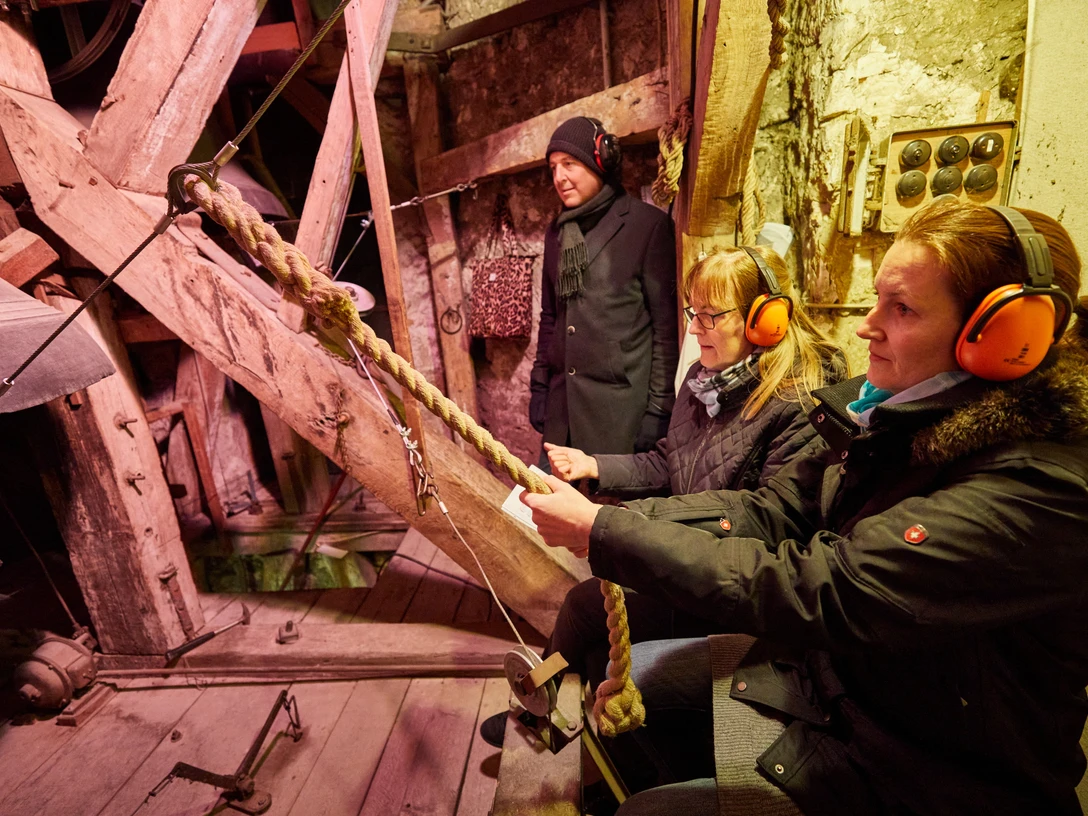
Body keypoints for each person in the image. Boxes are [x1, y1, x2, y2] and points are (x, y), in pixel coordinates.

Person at [521, 198, 1088, 815]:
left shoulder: (1041, 488)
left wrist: (607, 531)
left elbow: (822, 586)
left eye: (901, 309)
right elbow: (773, 510)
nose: (868, 325)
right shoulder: (893, 419)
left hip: (923, 765)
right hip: (845, 690)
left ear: (1008, 335)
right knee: (643, 684)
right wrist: (610, 522)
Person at [530, 116, 679, 465]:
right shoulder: (556, 233)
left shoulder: (647, 226)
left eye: (569, 164)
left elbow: (665, 331)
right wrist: (539, 386)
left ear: (601, 161)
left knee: (608, 517)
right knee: (548, 513)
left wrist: (659, 410)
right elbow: (550, 317)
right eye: (553, 168)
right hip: (562, 411)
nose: (559, 177)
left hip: (620, 415)